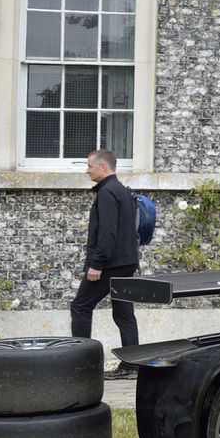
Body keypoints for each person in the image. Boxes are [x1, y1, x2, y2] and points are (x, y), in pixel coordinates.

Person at [69, 149, 140, 350]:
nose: (87, 171)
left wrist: (97, 263)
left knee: (81, 306)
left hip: (110, 264)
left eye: (90, 166)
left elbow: (107, 231)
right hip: (127, 262)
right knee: (123, 313)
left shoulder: (107, 192)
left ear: (103, 166)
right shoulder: (123, 190)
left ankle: (81, 363)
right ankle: (131, 365)